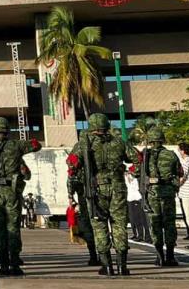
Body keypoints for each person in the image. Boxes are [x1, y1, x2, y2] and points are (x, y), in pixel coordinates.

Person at [67, 113, 140, 276]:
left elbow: (71, 165)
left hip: (96, 189)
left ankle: (107, 266)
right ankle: (122, 265)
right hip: (118, 187)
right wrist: (131, 172)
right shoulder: (119, 142)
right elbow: (137, 159)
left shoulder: (82, 144)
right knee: (119, 225)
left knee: (99, 226)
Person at [0, 117, 42, 276]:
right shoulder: (16, 145)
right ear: (6, 130)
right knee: (13, 227)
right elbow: (37, 145)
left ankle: (3, 264)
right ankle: (15, 264)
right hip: (11, 192)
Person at [142, 128, 182, 267]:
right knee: (169, 224)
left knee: (155, 223)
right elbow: (179, 172)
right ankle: (170, 256)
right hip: (168, 193)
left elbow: (138, 174)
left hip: (153, 193)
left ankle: (159, 256)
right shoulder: (171, 155)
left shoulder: (145, 156)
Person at [124, 170, 150, 243]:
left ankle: (146, 236)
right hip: (130, 198)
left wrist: (131, 173)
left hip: (138, 197)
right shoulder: (125, 176)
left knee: (142, 218)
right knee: (133, 219)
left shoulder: (136, 176)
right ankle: (137, 234)